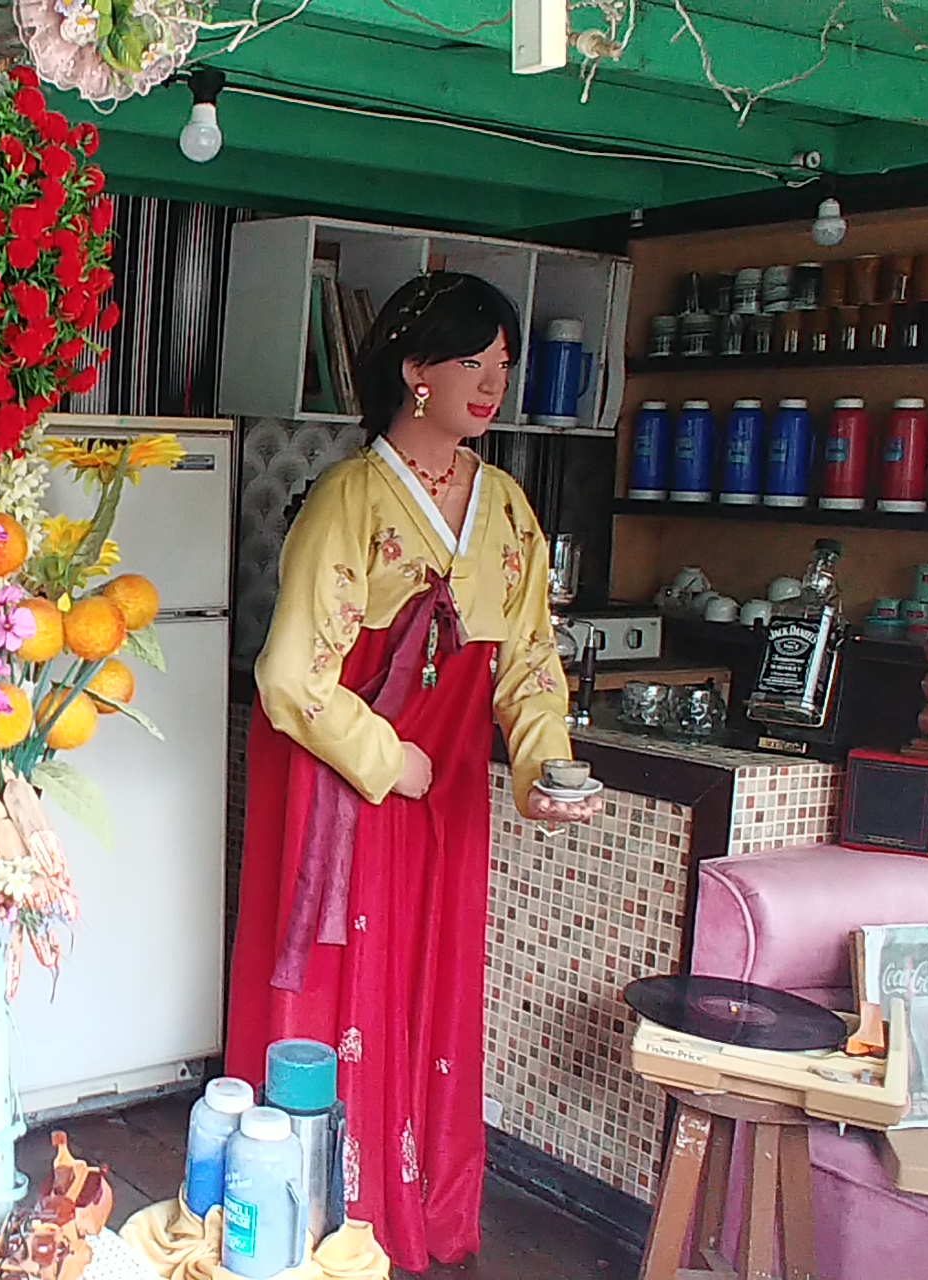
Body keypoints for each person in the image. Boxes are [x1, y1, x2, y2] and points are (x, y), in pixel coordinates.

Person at [225, 272, 605, 1267]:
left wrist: (545, 766)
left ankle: (426, 1203)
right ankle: (328, 1217)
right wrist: (387, 760)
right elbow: (289, 676)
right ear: (413, 370)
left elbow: (529, 662)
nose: (491, 384)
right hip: (351, 786)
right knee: (346, 982)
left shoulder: (508, 507)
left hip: (450, 790)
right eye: (470, 360)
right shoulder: (350, 499)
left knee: (432, 982)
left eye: (502, 364)